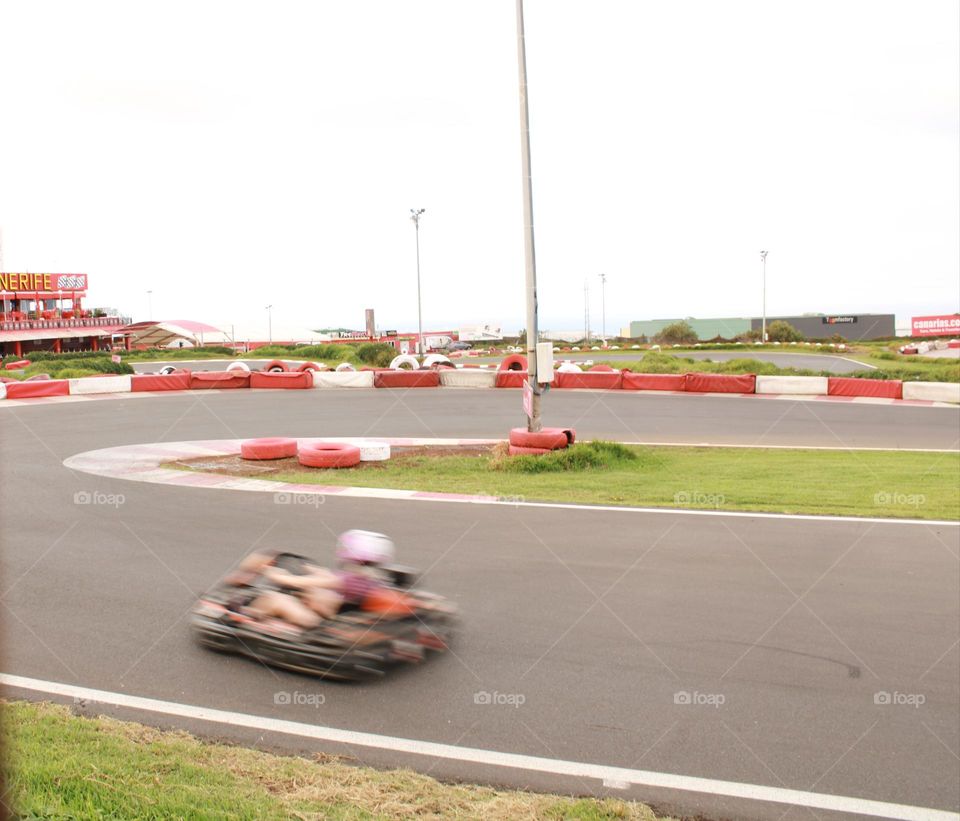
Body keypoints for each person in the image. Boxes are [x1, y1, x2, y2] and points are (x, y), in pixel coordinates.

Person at [238, 530, 394, 629]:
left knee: (276, 598)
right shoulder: (372, 579)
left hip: (320, 624)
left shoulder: (346, 580)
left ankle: (245, 615)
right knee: (312, 590)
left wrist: (270, 572)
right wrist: (309, 568)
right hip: (340, 613)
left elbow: (292, 582)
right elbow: (328, 577)